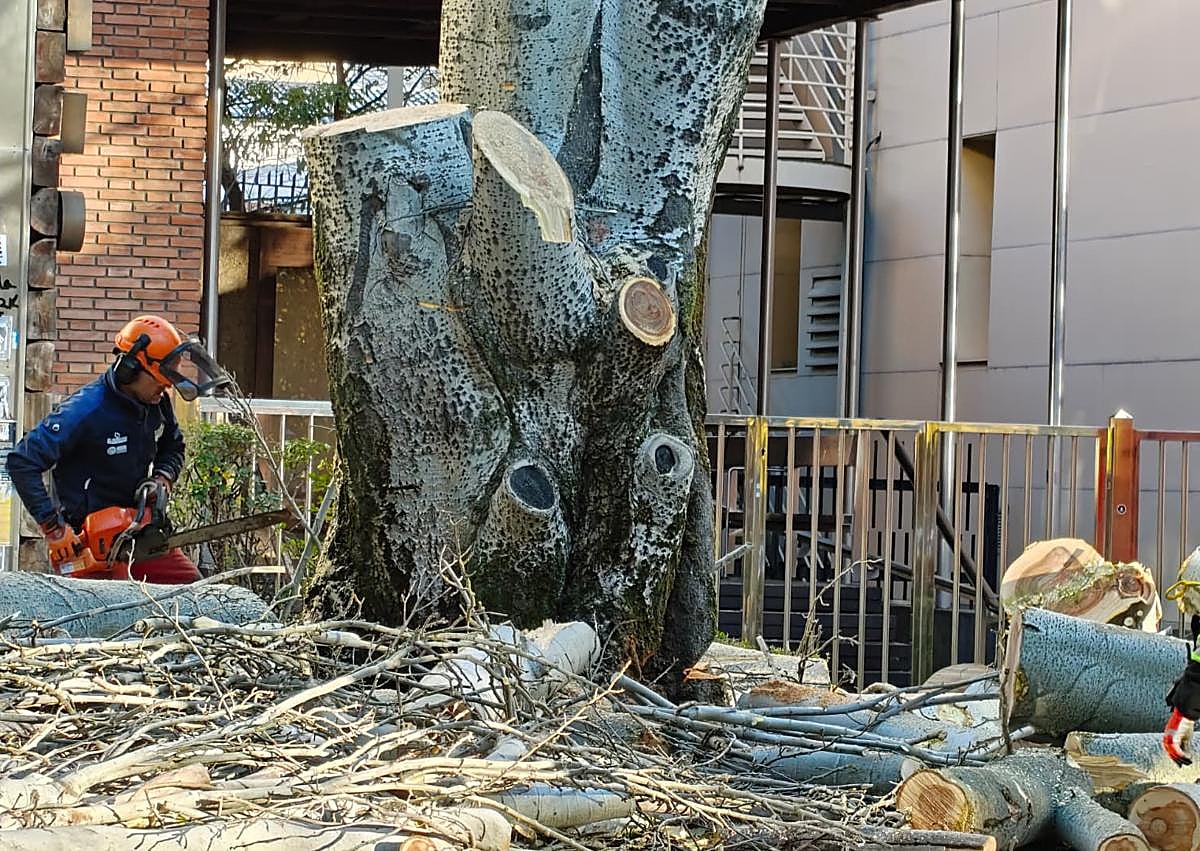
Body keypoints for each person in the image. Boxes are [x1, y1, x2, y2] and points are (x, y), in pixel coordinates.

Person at [7, 315, 229, 584]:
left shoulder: (156, 402)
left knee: (193, 589)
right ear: (131, 369)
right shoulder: (85, 410)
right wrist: (53, 527)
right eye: (160, 380)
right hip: (91, 543)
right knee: (119, 616)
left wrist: (162, 477)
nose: (166, 386)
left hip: (138, 528)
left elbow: (173, 445)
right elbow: (22, 461)